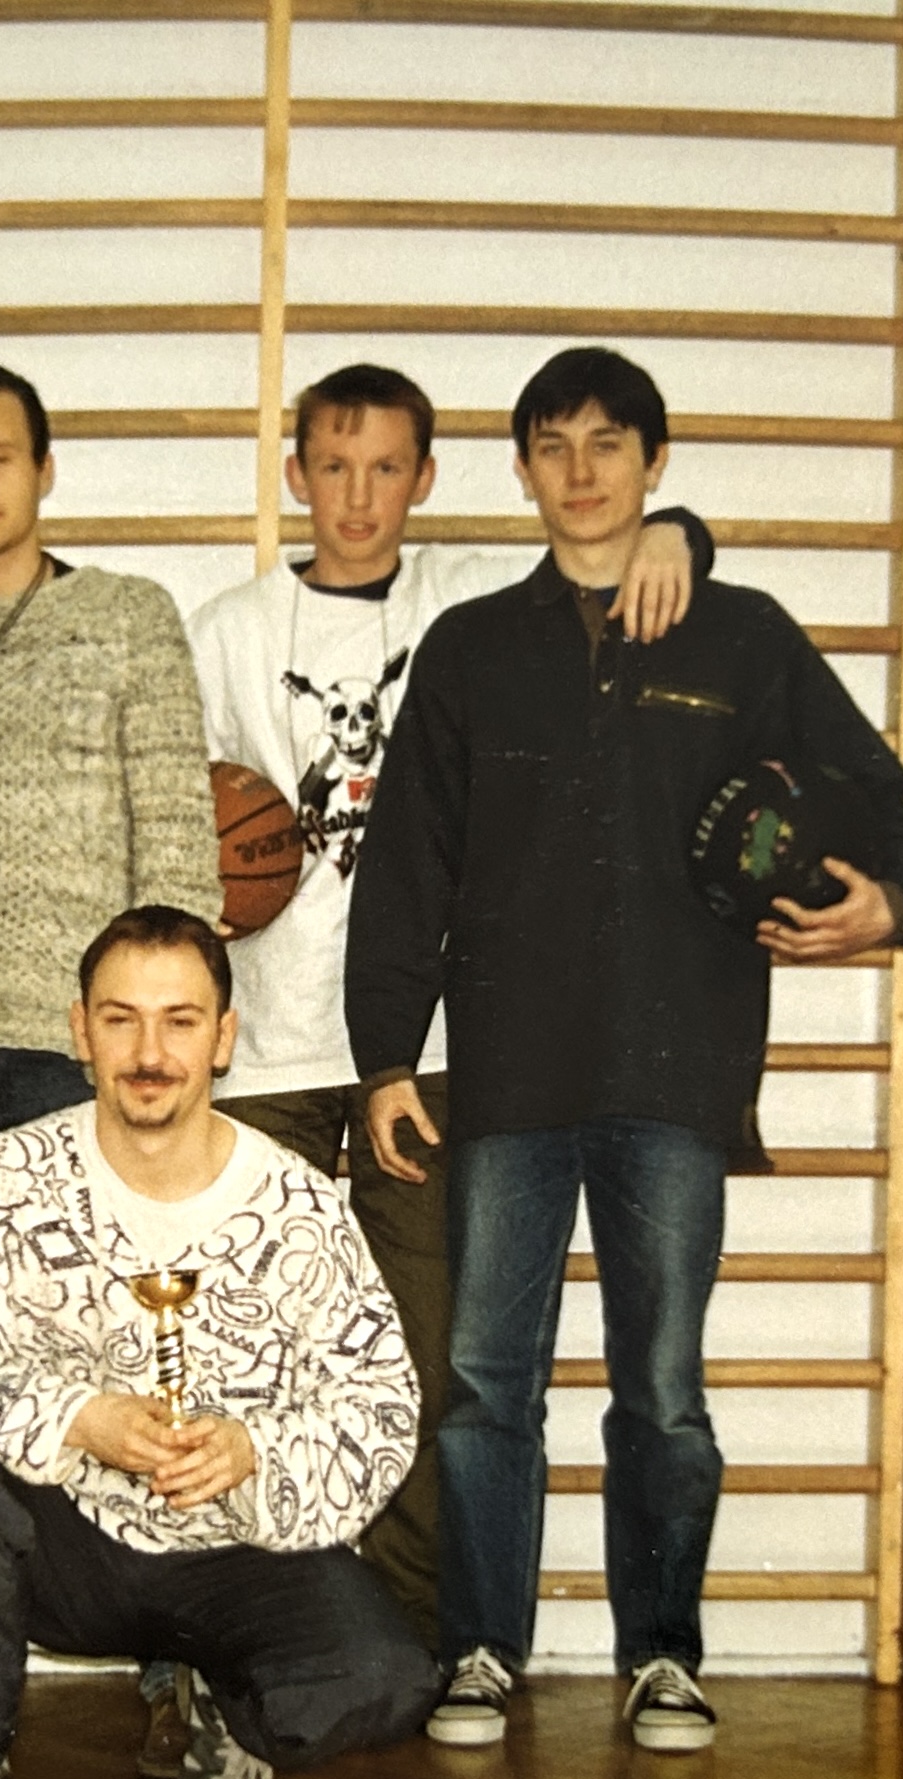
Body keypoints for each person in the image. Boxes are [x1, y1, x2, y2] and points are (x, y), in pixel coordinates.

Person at [347, 346, 903, 1754]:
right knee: (484, 1385)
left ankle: (660, 1652)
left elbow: (877, 795)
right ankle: (479, 1648)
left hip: (674, 1076)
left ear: (652, 462)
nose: (581, 471)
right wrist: (384, 1056)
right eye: (552, 446)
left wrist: (890, 900)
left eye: (608, 444)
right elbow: (406, 863)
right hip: (507, 1079)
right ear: (520, 470)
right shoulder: (473, 647)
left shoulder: (739, 636)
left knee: (660, 1392)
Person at [189, 362, 711, 1657]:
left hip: (421, 1054)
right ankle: (224, 1641)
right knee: (239, 1352)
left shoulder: (467, 598)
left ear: (424, 479)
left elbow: (599, 544)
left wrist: (676, 532)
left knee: (426, 1362)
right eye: (331, 465)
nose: (356, 495)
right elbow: (179, 819)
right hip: (262, 1046)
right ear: (293, 474)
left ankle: (411, 1635)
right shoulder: (229, 631)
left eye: (385, 468)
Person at [0, 906, 435, 1779]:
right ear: (79, 1031)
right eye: (120, 1019)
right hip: (65, 1541)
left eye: (179, 1021)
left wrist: (253, 1450)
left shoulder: (297, 1205)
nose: (148, 1052)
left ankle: (229, 1710)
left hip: (234, 1551)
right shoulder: (8, 1176)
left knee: (384, 1676)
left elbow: (378, 1404)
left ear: (223, 1036)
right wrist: (78, 1418)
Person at [0, 360, 223, 1226]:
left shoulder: (128, 617)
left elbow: (178, 839)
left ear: (44, 468)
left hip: (83, 1051)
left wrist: (152, 1041)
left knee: (91, 1302)